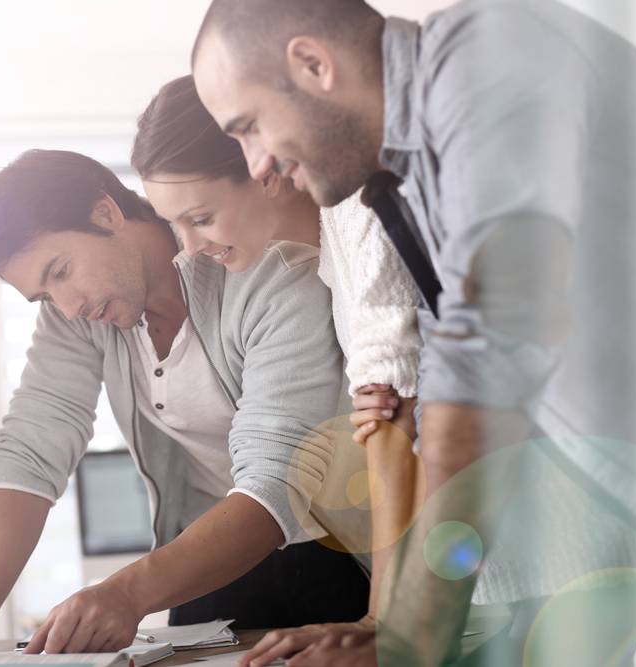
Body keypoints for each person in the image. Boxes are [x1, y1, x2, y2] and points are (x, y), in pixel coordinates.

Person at [191, 0, 636, 665]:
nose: (256, 164)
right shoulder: (409, 179)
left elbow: (490, 343)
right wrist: (396, 617)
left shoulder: (486, 51)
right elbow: (455, 418)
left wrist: (415, 629)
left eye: (249, 126)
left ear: (313, 64)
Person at [0, 148, 372, 660]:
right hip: (205, 561)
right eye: (44, 296)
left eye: (60, 270)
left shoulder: (268, 273)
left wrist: (125, 593)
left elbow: (278, 481)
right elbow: (30, 453)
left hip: (338, 550)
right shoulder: (80, 315)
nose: (68, 306)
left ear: (106, 212)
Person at [131, 73, 425, 643]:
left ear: (260, 167)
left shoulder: (359, 214)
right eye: (174, 225)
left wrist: (381, 626)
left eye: (201, 218)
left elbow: (393, 430)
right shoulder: (326, 257)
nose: (188, 250)